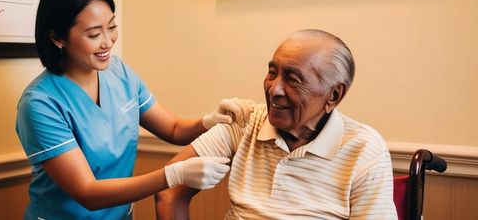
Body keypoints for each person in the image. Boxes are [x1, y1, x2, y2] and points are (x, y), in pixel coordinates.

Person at [15, 0, 255, 219]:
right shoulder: (40, 104)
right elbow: (87, 192)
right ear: (57, 38)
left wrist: (208, 121)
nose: (108, 42)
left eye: (112, 26)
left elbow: (172, 129)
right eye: (94, 34)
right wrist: (173, 175)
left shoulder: (119, 72)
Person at [155, 29, 397, 219]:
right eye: (272, 72)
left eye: (293, 79)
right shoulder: (245, 121)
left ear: (333, 95)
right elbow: (169, 189)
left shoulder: (364, 147)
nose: (274, 89)